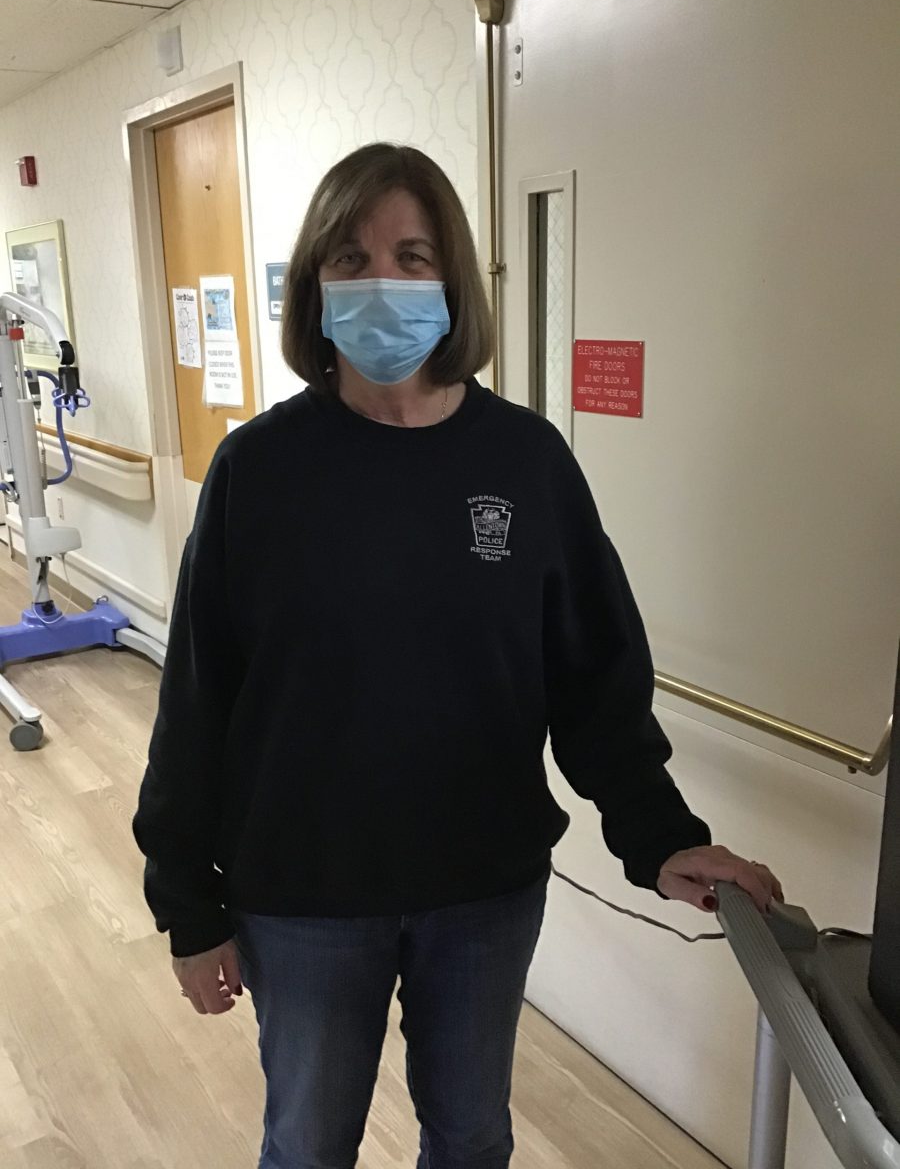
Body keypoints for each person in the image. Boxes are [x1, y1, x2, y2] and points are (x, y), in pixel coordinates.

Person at [133, 143, 782, 1169]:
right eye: (350, 259)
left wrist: (659, 835)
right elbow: (198, 702)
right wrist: (187, 902)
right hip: (302, 892)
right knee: (307, 1143)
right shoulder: (258, 472)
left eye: (412, 255)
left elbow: (594, 679)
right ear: (314, 286)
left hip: (481, 887)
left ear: (454, 280)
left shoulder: (526, 462)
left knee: (473, 1137)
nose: (380, 282)